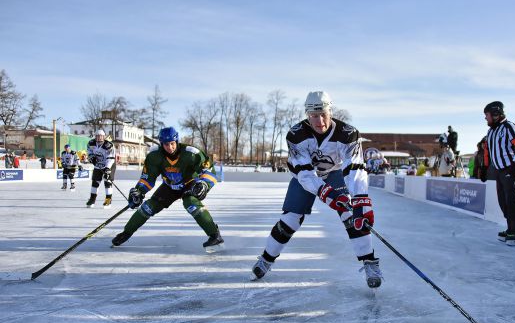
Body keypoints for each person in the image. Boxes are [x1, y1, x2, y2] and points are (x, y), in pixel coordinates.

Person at [251, 91, 383, 288]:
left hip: (335, 173)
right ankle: (266, 259)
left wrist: (360, 199)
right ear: (307, 115)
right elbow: (304, 173)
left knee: (351, 213)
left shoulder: (348, 134)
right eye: (314, 115)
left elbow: (354, 169)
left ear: (331, 111)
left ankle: (370, 262)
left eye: (324, 114)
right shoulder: (296, 135)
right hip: (306, 177)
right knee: (290, 219)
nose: (320, 120)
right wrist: (324, 192)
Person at [111, 127, 224, 252]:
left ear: (177, 141)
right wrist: (139, 191)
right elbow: (148, 178)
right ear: (161, 143)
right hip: (169, 186)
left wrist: (204, 184)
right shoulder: (154, 156)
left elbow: (209, 170)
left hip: (190, 183)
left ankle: (214, 235)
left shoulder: (191, 153)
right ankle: (126, 233)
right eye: (166, 144)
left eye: (172, 143)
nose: (170, 147)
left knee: (191, 203)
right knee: (148, 207)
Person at [480, 101, 515, 246]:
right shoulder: (491, 132)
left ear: (495, 114)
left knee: (514, 200)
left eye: (487, 115)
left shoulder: (509, 127)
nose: (485, 118)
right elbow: (488, 152)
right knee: (504, 201)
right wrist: (484, 168)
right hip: (500, 170)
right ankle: (511, 229)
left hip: (514, 168)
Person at [86, 129, 116, 207]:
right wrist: (91, 157)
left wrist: (107, 168)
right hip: (98, 165)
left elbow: (111, 158)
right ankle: (92, 199)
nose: (99, 137)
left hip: (109, 165)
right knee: (95, 182)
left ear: (104, 136)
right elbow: (89, 152)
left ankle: (108, 200)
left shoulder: (108, 145)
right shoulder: (91, 143)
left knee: (107, 182)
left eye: (101, 136)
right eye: (97, 136)